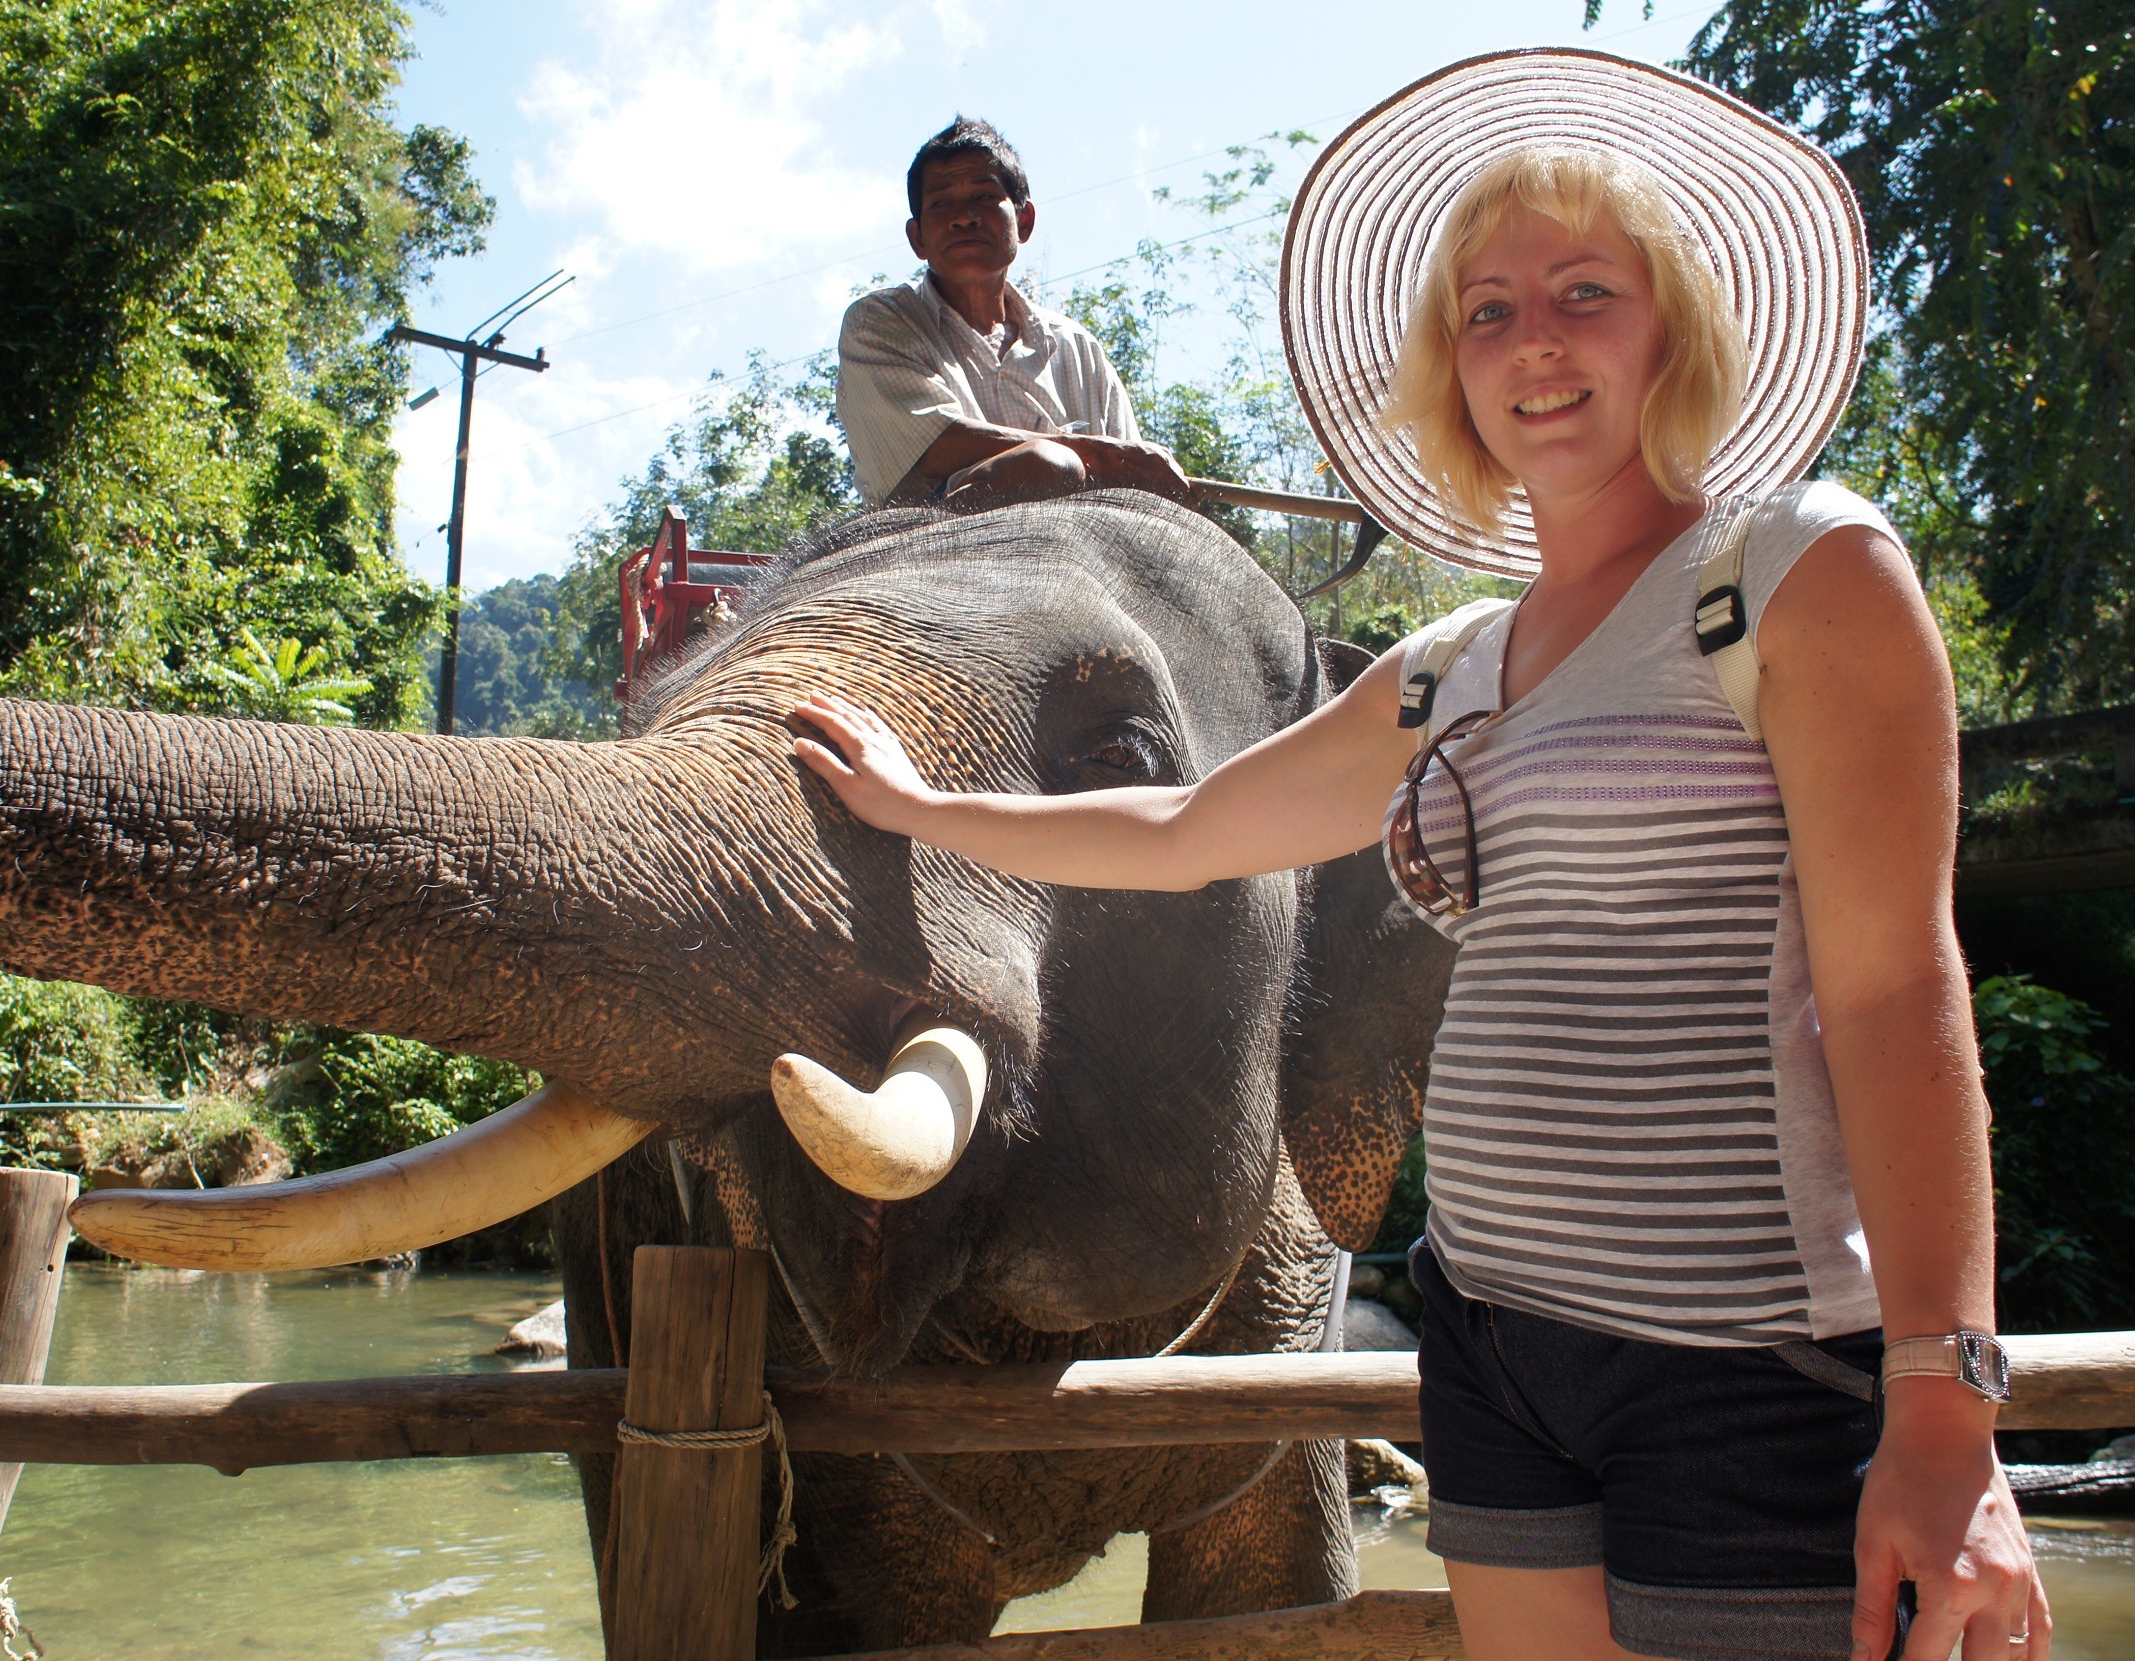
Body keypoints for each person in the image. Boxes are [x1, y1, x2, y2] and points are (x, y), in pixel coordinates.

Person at [793, 52, 2049, 1661]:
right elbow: (1192, 827)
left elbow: (1894, 991)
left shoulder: (1798, 574)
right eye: (1486, 312)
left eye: (1584, 293)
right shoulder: (1455, 663)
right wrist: (924, 810)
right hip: (1496, 1342)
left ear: (1672, 327)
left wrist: (1946, 1404)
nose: (1534, 343)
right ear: (1455, 371)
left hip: (1741, 1352)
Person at [836, 115, 1195, 511]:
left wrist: (1134, 466)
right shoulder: (881, 322)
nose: (963, 217)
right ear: (917, 238)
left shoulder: (1078, 349)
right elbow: (933, 445)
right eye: (940, 203)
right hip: (932, 538)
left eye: (984, 197)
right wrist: (1098, 454)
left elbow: (1136, 481)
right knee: (1048, 463)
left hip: (1086, 541)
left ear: (1024, 222)